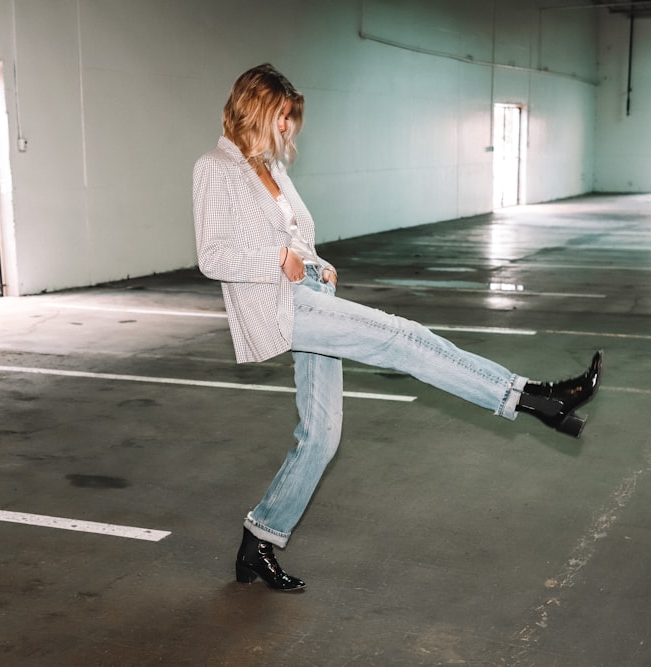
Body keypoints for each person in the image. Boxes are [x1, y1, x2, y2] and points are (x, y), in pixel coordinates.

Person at [193, 63, 602, 592]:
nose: (288, 128)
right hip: (281, 308)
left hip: (308, 293)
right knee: (402, 337)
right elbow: (213, 253)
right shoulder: (215, 167)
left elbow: (292, 232)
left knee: (320, 438)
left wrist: (313, 261)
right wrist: (277, 258)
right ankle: (533, 398)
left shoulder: (269, 167)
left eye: (291, 118)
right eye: (281, 117)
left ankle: (257, 544)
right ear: (254, 108)